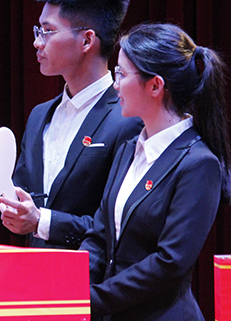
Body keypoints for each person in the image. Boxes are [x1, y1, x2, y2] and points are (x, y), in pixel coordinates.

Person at [0, 0, 143, 248]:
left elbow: (119, 224)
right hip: (36, 271)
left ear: (87, 40)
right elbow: (21, 206)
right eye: (38, 31)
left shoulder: (127, 117)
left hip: (91, 273)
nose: (37, 42)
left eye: (47, 31)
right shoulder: (39, 116)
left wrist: (42, 222)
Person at [80, 23, 230, 320]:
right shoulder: (127, 149)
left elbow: (169, 263)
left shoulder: (199, 163)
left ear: (155, 86)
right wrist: (74, 287)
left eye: (122, 74)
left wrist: (93, 299)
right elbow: (99, 235)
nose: (115, 84)